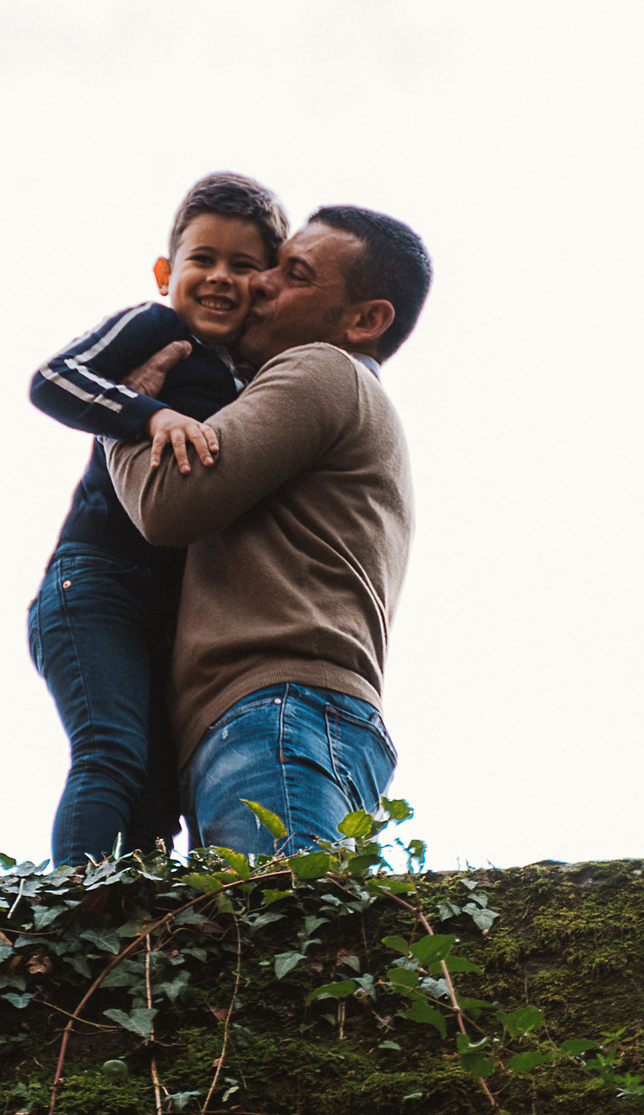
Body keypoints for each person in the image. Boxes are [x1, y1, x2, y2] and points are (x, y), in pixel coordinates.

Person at [105, 206, 432, 857]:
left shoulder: (321, 370)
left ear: (364, 319)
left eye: (295, 274)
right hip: (286, 718)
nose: (258, 283)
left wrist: (125, 409)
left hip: (277, 715)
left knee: (277, 940)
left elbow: (165, 503)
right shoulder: (348, 397)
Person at [24, 173, 288, 865]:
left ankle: (137, 922)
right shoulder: (157, 327)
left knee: (157, 792)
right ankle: (73, 909)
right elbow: (54, 379)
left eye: (243, 263)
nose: (220, 277)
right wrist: (151, 413)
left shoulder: (257, 378)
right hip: (98, 583)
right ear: (167, 270)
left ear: (268, 282)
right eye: (203, 259)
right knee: (110, 749)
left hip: (178, 611)